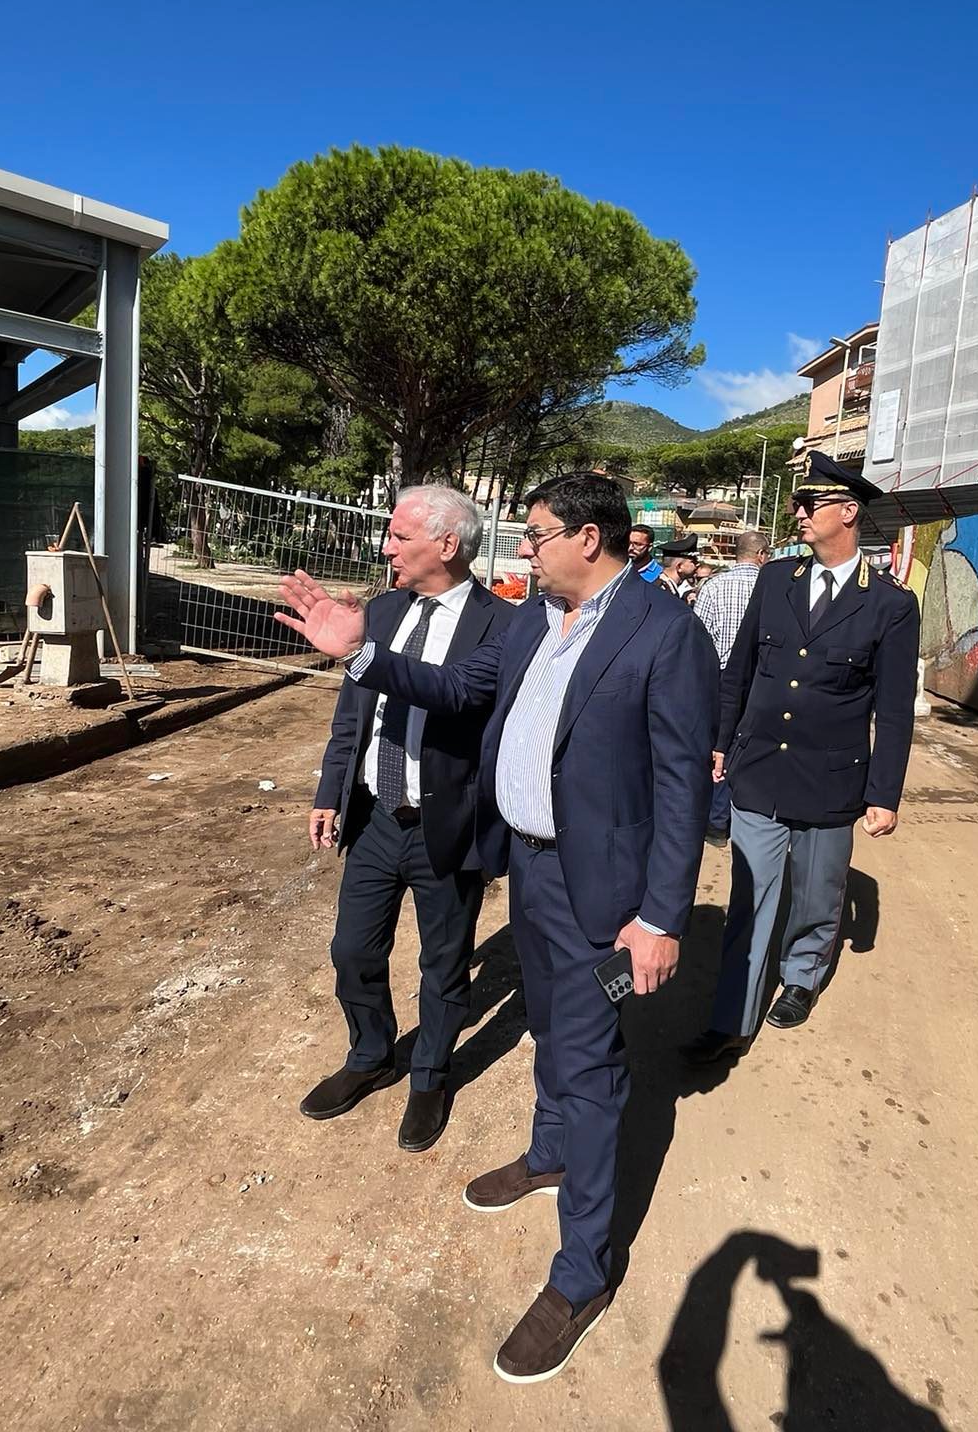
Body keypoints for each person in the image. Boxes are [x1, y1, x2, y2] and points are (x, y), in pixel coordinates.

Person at [275, 471, 717, 1385]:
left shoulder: (664, 631)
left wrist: (661, 916)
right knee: (550, 1028)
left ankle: (582, 1274)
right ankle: (549, 1156)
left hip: (605, 892)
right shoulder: (529, 620)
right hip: (533, 873)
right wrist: (360, 653)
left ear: (589, 538)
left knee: (590, 1068)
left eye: (539, 533)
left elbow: (682, 786)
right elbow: (455, 686)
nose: (525, 548)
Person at [304, 486, 520, 1152]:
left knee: (444, 964)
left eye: (399, 536)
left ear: (447, 544)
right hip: (375, 818)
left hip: (445, 827)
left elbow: (460, 699)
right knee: (352, 951)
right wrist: (330, 792)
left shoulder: (505, 625)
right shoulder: (381, 611)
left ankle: (430, 1075)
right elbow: (353, 716)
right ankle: (371, 1055)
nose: (386, 547)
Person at [683, 454, 919, 1064]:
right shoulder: (775, 579)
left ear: (849, 512)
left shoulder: (889, 604)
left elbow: (894, 710)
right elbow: (739, 671)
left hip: (831, 778)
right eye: (799, 503)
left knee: (816, 894)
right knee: (749, 895)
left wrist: (883, 793)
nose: (799, 512)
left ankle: (802, 975)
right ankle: (733, 1016)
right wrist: (721, 741)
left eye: (811, 504)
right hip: (759, 767)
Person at [692, 531, 772, 845]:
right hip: (759, 679)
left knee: (718, 746)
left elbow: (698, 640)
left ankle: (716, 821)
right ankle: (748, 815)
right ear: (762, 555)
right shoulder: (772, 588)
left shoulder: (712, 586)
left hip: (719, 678)